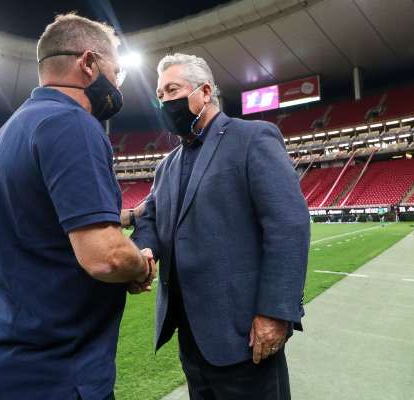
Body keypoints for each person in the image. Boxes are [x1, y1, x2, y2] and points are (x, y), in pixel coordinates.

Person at [0, 14, 156, 400]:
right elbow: (106, 258)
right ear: (88, 63)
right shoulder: (72, 124)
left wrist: (130, 217)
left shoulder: (14, 128)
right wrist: (141, 264)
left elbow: (47, 219)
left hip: (4, 367)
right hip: (56, 374)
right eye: (116, 72)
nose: (118, 85)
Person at [132, 53, 310, 400]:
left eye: (172, 89)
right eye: (160, 94)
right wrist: (144, 250)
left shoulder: (252, 138)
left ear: (205, 91)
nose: (165, 100)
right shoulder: (166, 166)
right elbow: (150, 217)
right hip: (191, 338)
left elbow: (288, 225)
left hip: (245, 336)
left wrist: (275, 313)